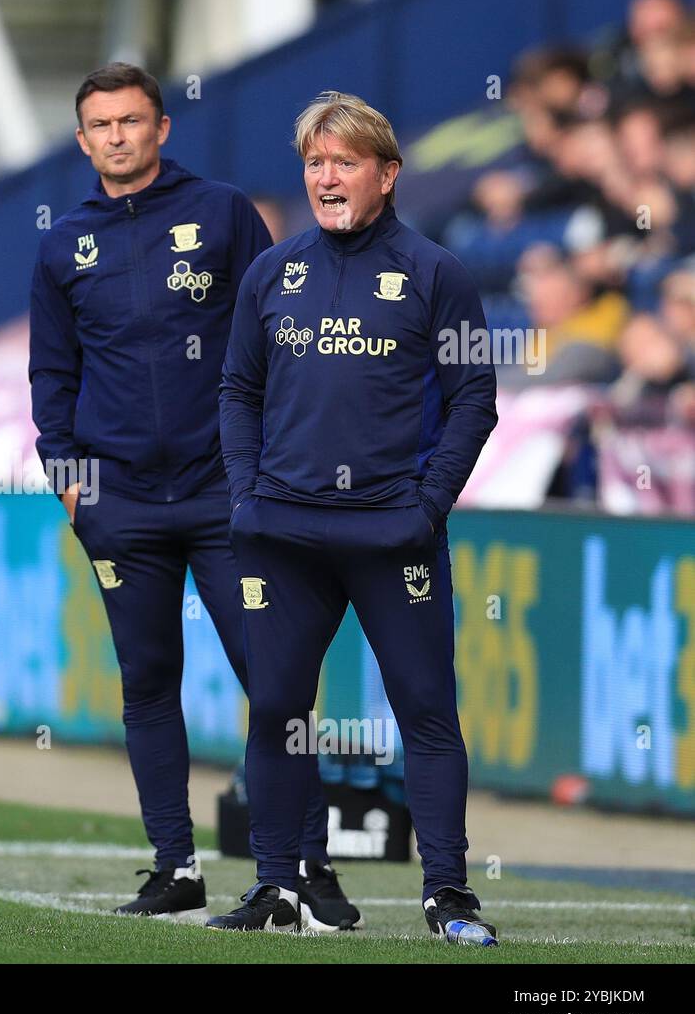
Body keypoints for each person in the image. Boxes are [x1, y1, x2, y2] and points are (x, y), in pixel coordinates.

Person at [29, 63, 360, 927]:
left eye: (131, 121)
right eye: (100, 125)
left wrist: (267, 468)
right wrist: (73, 488)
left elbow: (278, 340)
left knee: (273, 679)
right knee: (147, 681)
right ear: (82, 139)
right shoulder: (64, 243)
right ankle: (175, 866)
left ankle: (307, 870)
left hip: (226, 496)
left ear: (161, 127)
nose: (117, 136)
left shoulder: (221, 213)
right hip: (120, 504)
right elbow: (51, 376)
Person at [214, 92, 499, 941]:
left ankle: (447, 893)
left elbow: (473, 398)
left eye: (343, 162)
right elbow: (237, 388)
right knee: (277, 711)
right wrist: (244, 495)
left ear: (387, 174)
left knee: (425, 709)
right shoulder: (273, 271)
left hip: (391, 535)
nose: (325, 178)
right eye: (313, 164)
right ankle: (279, 889)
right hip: (285, 535)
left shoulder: (435, 272)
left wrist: (426, 503)